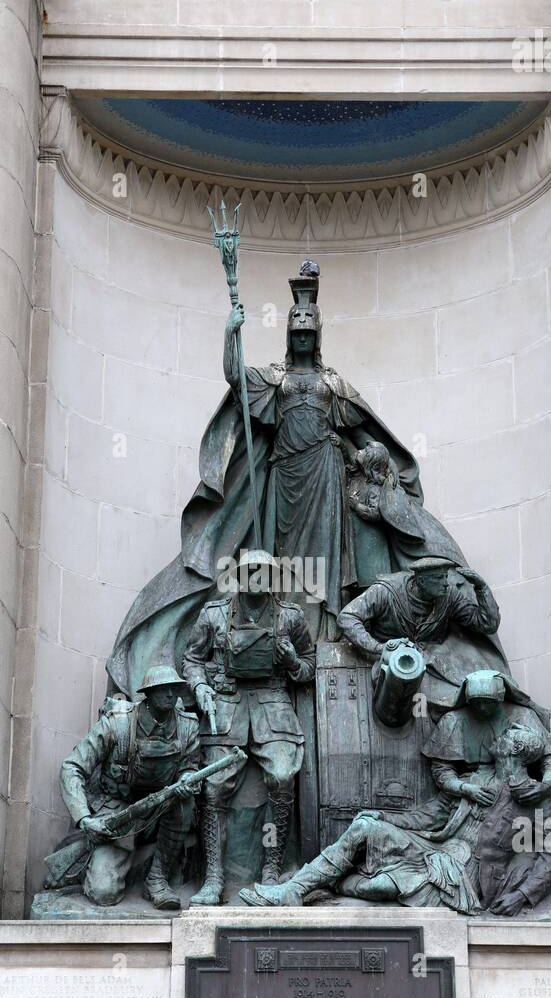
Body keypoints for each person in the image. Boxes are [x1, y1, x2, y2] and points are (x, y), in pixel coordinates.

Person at [106, 263, 466, 697]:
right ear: (288, 336)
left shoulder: (332, 385)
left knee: (326, 562)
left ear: (316, 337)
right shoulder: (275, 379)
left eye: (308, 334)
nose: (301, 338)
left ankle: (328, 634)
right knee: (284, 560)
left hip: (326, 478)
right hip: (284, 477)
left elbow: (365, 435)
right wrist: (230, 336)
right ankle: (289, 631)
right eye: (296, 333)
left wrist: (374, 460)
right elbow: (237, 380)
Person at [240, 670, 551, 919]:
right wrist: (382, 816)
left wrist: (522, 895)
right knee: (365, 827)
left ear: (514, 753)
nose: (494, 742)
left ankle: (324, 886)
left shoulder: (537, 801)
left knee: (381, 889)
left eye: (502, 743)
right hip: (434, 849)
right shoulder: (475, 780)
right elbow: (429, 815)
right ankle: (295, 890)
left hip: (466, 876)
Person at [182, 549, 315, 904]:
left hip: (273, 705)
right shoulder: (214, 615)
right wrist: (201, 687)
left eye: (265, 571)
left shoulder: (290, 617)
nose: (257, 577)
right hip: (226, 705)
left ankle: (271, 867)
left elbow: (309, 668)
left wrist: (291, 661)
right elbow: (192, 659)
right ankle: (213, 879)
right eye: (250, 571)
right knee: (213, 787)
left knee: (283, 777)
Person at [50, 668, 201, 911]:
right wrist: (85, 819)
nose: (171, 694)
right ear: (148, 694)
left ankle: (157, 879)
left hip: (160, 811)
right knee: (103, 893)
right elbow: (72, 767)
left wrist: (187, 778)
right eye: (164, 689)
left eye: (174, 688)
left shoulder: (187, 727)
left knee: (185, 804)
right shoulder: (117, 724)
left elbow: (190, 766)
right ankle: (90, 863)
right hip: (117, 814)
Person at [338, 556, 506, 712]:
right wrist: (379, 648)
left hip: (434, 665)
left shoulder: (449, 596)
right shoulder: (386, 591)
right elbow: (347, 617)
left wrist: (481, 588)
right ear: (421, 581)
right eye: (439, 578)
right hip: (389, 665)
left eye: (446, 577)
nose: (446, 583)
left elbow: (487, 623)